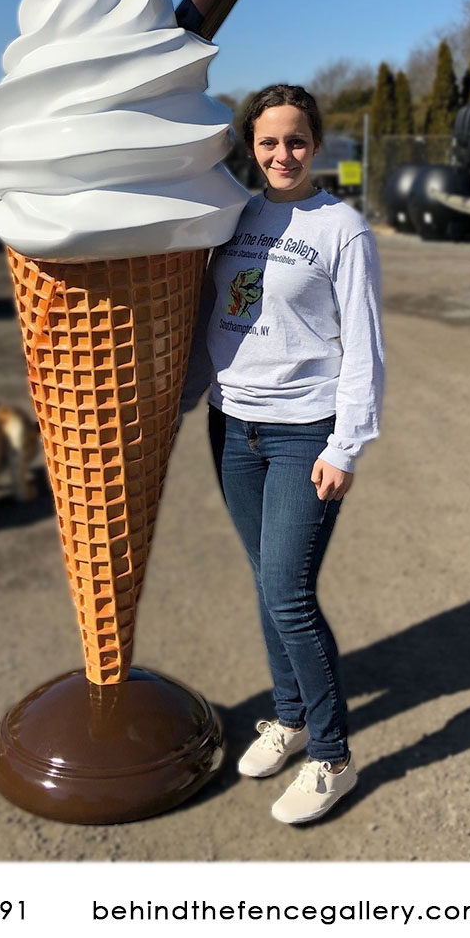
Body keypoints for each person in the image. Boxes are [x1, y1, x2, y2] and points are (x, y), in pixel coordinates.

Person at [180, 84, 384, 823]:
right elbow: (212, 320)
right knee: (266, 584)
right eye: (268, 142)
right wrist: (178, 403)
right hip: (233, 428)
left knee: (290, 595)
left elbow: (364, 346)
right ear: (250, 146)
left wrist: (347, 444)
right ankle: (290, 718)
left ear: (317, 143)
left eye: (295, 140)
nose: (282, 154)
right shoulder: (236, 215)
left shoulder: (341, 228)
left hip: (306, 432)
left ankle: (332, 757)